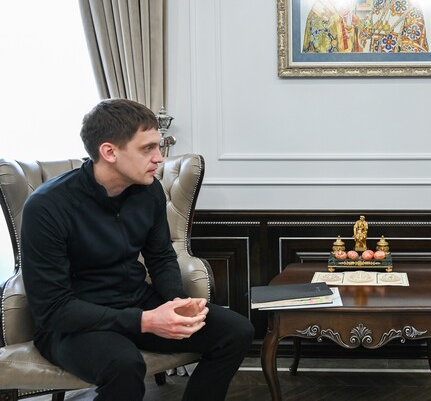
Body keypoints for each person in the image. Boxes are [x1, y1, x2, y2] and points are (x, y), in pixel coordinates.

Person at [21, 99, 255, 400]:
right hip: (72, 323)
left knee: (236, 331)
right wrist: (145, 321)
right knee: (123, 365)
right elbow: (53, 309)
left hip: (135, 302)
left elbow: (161, 256)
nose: (159, 158)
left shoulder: (149, 191)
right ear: (109, 152)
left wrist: (176, 301)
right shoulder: (46, 206)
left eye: (158, 146)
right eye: (148, 149)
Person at [358, 0, 429, 53]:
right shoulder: (379, 1)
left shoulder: (412, 5)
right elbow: (367, 29)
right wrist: (358, 24)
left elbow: (414, 46)